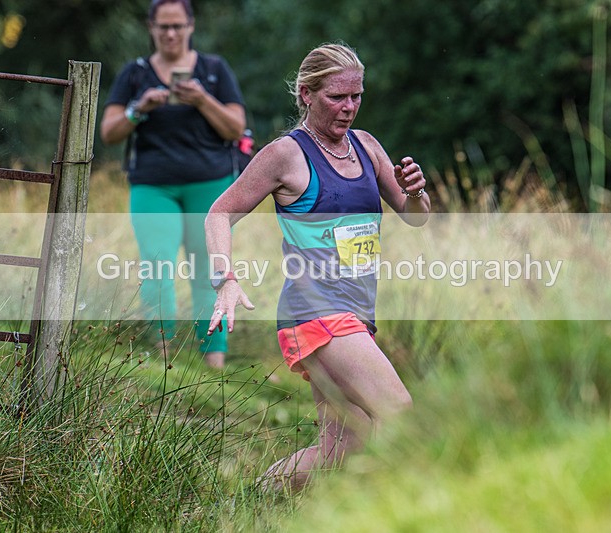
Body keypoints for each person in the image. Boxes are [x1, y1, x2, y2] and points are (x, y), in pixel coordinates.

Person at [204, 42, 431, 490]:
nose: (349, 107)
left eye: (356, 96)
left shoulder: (366, 146)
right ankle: (398, 510)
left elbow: (415, 216)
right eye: (337, 97)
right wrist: (224, 279)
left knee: (342, 448)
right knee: (399, 412)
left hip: (357, 313)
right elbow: (219, 213)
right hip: (315, 311)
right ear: (306, 94)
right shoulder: (285, 155)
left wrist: (417, 192)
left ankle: (251, 501)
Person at [100, 0, 247, 368]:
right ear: (151, 27)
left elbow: (235, 128)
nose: (170, 33)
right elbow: (109, 132)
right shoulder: (135, 74)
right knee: (157, 265)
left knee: (210, 269)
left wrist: (202, 100)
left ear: (190, 26)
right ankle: (163, 356)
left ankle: (214, 359)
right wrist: (139, 109)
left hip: (211, 184)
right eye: (163, 26)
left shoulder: (214, 70)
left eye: (177, 26)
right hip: (153, 186)